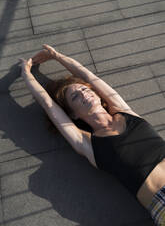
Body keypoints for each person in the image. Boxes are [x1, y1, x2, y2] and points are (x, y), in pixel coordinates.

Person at [20, 44, 165, 226]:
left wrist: (57, 56)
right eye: (75, 97)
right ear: (73, 114)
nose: (84, 93)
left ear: (98, 96)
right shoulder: (87, 143)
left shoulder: (125, 112)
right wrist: (27, 74)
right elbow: (49, 105)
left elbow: (90, 77)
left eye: (85, 89)